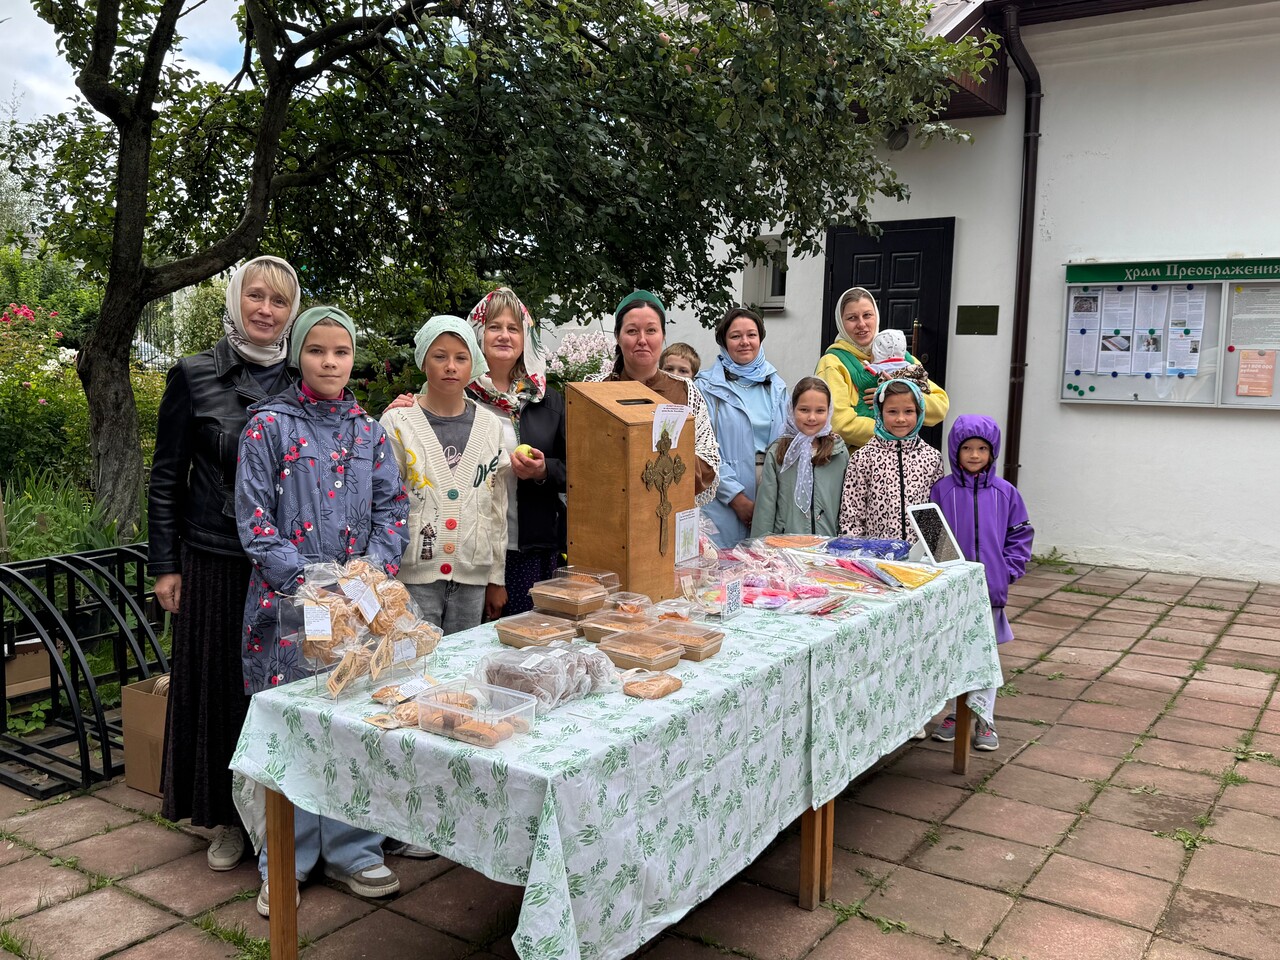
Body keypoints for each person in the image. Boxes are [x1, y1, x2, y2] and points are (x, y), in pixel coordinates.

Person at [236, 306, 408, 915]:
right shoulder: (267, 427)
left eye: (341, 352)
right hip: (288, 609)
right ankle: (286, 859)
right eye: (317, 350)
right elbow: (254, 521)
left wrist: (365, 578)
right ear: (297, 355)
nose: (330, 362)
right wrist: (310, 583)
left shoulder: (370, 433)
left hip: (359, 610)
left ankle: (354, 849)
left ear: (353, 358)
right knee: (292, 729)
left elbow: (393, 510)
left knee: (353, 724)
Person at [148, 255, 301, 873]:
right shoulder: (194, 375)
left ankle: (283, 814)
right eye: (256, 296)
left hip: (283, 563)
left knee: (278, 690)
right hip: (214, 557)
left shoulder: (302, 376)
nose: (266, 310)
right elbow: (166, 477)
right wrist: (165, 563)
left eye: (279, 301)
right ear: (236, 299)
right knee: (219, 688)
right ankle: (227, 818)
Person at [380, 315, 509, 635]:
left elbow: (497, 506)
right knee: (414, 658)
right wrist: (383, 576)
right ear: (423, 361)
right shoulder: (398, 422)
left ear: (473, 362)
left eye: (461, 358)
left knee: (462, 659)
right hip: (413, 577)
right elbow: (383, 503)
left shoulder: (491, 426)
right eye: (440, 356)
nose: (451, 366)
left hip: (473, 576)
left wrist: (496, 577)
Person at [929, 415, 1034, 752]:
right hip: (951, 592)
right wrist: (945, 576)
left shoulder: (1007, 493)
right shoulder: (942, 491)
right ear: (955, 451)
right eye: (967, 448)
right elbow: (933, 536)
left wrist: (1007, 570)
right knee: (951, 652)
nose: (974, 455)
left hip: (989, 590)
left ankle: (984, 717)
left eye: (982, 449)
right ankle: (955, 713)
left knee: (985, 655)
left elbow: (1020, 536)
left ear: (992, 452)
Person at [464, 288, 567, 616]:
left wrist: (544, 471)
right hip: (471, 548)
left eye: (513, 328)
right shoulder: (458, 396)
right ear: (477, 334)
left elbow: (577, 470)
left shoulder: (546, 399)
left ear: (526, 338)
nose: (504, 335)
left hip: (531, 546)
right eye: (494, 326)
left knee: (532, 637)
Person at [587, 290, 720, 507]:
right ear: (618, 336)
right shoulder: (596, 390)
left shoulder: (684, 391)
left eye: (651, 330)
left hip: (669, 511)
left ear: (663, 336)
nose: (642, 340)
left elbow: (707, 461)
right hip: (610, 511)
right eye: (632, 331)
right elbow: (580, 458)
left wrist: (662, 468)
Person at [696, 306, 789, 547]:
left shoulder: (777, 386)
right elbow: (701, 450)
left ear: (760, 338)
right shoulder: (705, 388)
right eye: (735, 336)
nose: (744, 342)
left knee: (764, 563)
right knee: (725, 563)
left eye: (751, 335)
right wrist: (736, 498)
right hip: (722, 497)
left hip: (770, 493)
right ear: (723, 342)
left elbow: (789, 441)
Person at [816, 287, 949, 451]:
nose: (861, 324)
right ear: (840, 322)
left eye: (867, 315)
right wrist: (895, 432)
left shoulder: (902, 358)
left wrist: (902, 394)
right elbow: (839, 424)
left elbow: (940, 407)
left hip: (903, 460)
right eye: (852, 318)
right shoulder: (833, 363)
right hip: (859, 462)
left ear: (876, 316)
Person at [838, 379, 943, 541]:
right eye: (892, 411)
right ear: (880, 413)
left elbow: (933, 514)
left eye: (908, 411)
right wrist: (856, 552)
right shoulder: (863, 458)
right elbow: (852, 515)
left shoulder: (932, 458)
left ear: (919, 412)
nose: (901, 419)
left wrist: (929, 552)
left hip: (917, 555)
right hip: (875, 554)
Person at [751, 377, 849, 538]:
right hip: (787, 545)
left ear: (829, 411)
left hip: (829, 544)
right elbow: (765, 507)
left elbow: (847, 505)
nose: (812, 417)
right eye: (804, 410)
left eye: (820, 411)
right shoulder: (779, 453)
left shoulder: (838, 452)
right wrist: (759, 546)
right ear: (792, 409)